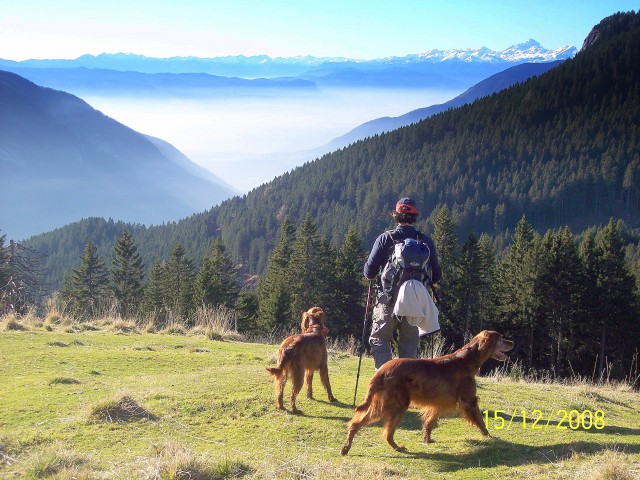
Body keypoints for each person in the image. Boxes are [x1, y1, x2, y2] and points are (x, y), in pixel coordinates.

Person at [363, 197, 441, 370]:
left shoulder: (385, 239)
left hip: (388, 301)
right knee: (409, 347)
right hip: (414, 304)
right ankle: (405, 386)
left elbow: (369, 273)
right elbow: (436, 276)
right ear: (415, 217)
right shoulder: (425, 242)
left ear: (395, 215)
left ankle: (386, 381)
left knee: (380, 339)